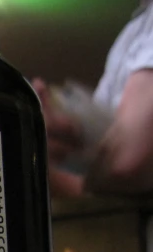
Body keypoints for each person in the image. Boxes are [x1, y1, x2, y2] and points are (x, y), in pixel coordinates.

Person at [33, 0, 153, 197]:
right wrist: (72, 133)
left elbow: (126, 163)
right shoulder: (134, 30)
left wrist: (32, 169)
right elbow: (107, 150)